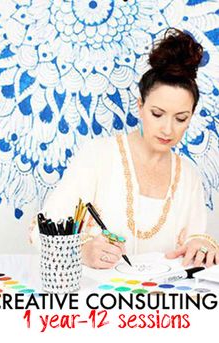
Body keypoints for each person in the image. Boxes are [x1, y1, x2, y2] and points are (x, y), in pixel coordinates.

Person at [30, 28, 219, 269]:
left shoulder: (189, 176)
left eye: (180, 118)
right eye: (157, 114)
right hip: (97, 299)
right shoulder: (98, 156)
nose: (167, 130)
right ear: (140, 106)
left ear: (191, 117)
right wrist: (83, 250)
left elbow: (195, 239)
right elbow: (41, 230)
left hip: (164, 301)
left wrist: (202, 246)